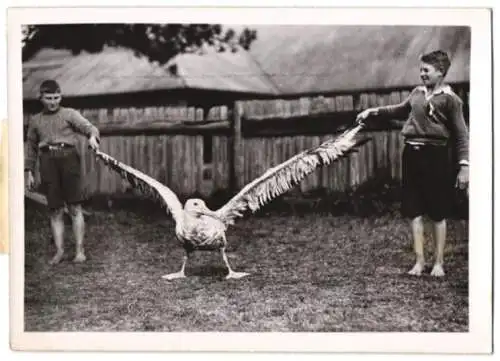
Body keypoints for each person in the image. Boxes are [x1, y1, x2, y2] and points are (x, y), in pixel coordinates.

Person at [356, 50, 469, 277]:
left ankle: (438, 263)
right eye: (421, 70)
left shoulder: (451, 100)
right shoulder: (417, 94)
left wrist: (464, 167)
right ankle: (419, 262)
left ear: (441, 72)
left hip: (436, 157)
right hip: (412, 155)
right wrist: (373, 111)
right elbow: (398, 110)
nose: (422, 74)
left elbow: (461, 135)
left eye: (426, 70)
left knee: (437, 212)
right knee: (414, 210)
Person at [25, 79, 100, 265]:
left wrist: (92, 137)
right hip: (47, 162)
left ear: (61, 96)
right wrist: (29, 171)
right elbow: (31, 148)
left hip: (69, 160)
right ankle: (59, 252)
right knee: (55, 209)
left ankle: (79, 251)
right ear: (41, 98)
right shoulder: (35, 120)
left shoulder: (69, 114)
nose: (53, 102)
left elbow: (89, 127)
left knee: (75, 207)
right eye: (49, 98)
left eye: (56, 97)